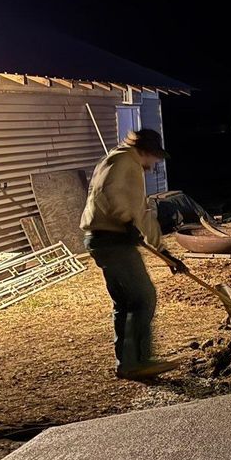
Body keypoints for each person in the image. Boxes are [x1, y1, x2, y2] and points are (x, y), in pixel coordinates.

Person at [81, 128, 188, 380]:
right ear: (146, 151)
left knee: (126, 302)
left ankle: (127, 362)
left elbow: (142, 212)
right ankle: (136, 362)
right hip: (111, 239)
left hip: (109, 239)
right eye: (155, 157)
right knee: (143, 297)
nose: (155, 163)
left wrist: (164, 251)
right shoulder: (121, 160)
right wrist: (125, 222)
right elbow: (106, 193)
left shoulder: (129, 165)